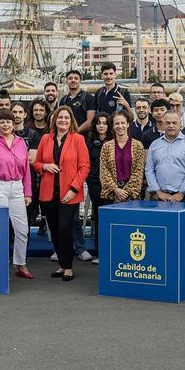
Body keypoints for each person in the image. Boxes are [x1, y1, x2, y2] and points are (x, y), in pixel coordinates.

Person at [33, 106, 89, 281]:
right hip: (49, 193)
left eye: (66, 118)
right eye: (60, 118)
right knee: (55, 230)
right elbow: (36, 163)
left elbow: (84, 167)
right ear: (54, 120)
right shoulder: (45, 139)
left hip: (69, 193)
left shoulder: (78, 139)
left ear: (71, 120)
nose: (63, 120)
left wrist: (74, 189)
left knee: (65, 228)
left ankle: (69, 267)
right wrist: (44, 166)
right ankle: (61, 265)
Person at [0, 108, 35, 279]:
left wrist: (28, 192)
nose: (6, 125)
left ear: (14, 123)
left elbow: (26, 171)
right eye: (2, 122)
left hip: (17, 187)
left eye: (8, 121)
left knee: (22, 229)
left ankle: (20, 264)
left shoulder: (20, 143)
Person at [145, 111, 185, 203]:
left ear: (181, 124)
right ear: (163, 124)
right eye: (168, 123)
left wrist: (181, 193)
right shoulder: (155, 145)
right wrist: (158, 192)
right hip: (160, 197)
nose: (171, 125)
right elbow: (149, 169)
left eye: (174, 123)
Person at [100, 108, 146, 208]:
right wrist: (116, 189)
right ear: (112, 126)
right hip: (111, 196)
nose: (120, 126)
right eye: (117, 123)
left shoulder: (138, 146)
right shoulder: (106, 146)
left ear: (128, 124)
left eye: (123, 123)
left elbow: (138, 172)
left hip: (131, 196)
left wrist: (125, 192)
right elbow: (104, 171)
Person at [83, 113, 111, 255]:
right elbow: (86, 164)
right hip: (95, 183)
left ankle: (111, 250)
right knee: (98, 216)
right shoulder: (89, 142)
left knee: (110, 217)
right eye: (99, 123)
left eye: (105, 123)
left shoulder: (113, 141)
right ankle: (100, 251)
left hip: (112, 185)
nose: (101, 126)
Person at [59, 69, 95, 134]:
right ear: (66, 81)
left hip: (83, 138)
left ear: (80, 81)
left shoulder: (88, 98)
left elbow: (90, 121)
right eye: (70, 78)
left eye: (76, 78)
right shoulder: (63, 100)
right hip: (66, 137)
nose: (73, 80)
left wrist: (75, 132)